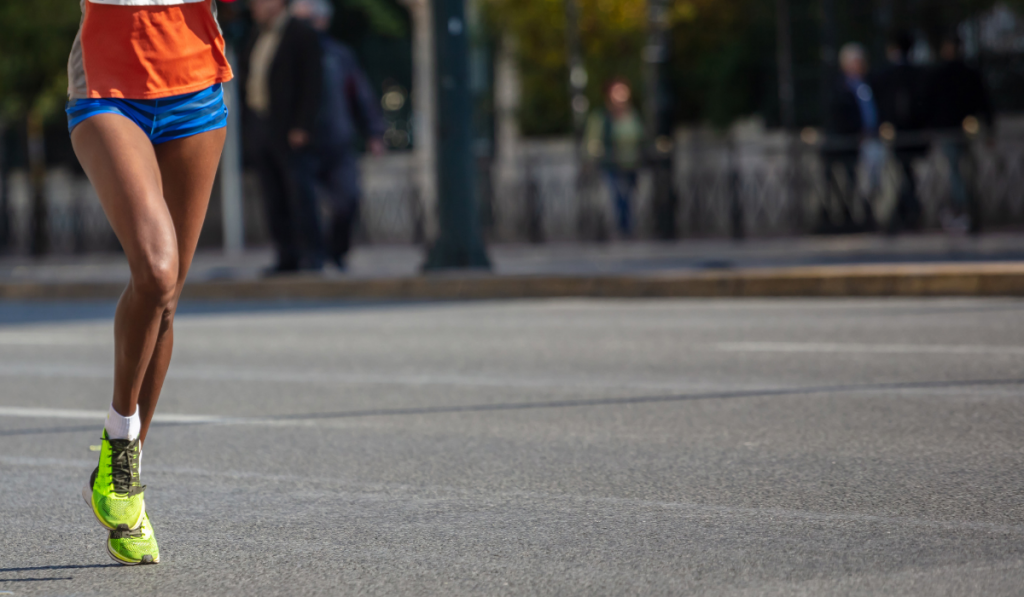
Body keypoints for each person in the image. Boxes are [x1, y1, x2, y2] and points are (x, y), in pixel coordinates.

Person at [65, 0, 233, 565]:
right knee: (156, 270)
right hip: (107, 87)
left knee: (167, 298)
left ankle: (126, 481)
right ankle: (120, 440)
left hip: (195, 89)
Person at [291, 0, 386, 269]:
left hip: (337, 139)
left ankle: (337, 251)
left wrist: (374, 132)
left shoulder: (340, 55)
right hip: (303, 142)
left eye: (309, 21)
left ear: (323, 21)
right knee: (304, 206)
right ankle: (313, 256)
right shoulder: (290, 55)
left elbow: (361, 95)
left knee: (348, 199)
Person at [239, 0, 324, 273]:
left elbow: (312, 84)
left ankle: (311, 255)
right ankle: (286, 256)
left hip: (290, 129)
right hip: (261, 125)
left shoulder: (301, 34)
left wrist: (302, 126)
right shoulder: (255, 34)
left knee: (300, 194)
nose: (254, 6)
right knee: (272, 196)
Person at [925, 32, 994, 234]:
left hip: (950, 129)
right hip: (962, 128)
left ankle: (964, 208)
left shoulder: (943, 73)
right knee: (963, 170)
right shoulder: (965, 73)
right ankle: (965, 208)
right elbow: (983, 102)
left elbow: (930, 103)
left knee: (959, 171)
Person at [869, 30, 928, 232]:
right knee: (905, 172)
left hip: (898, 133)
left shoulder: (886, 75)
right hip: (910, 133)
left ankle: (906, 210)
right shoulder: (917, 74)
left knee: (903, 172)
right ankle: (908, 209)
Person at [822, 43, 880, 231]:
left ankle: (867, 211)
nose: (858, 65)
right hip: (849, 141)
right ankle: (850, 215)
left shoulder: (868, 83)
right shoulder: (840, 86)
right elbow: (838, 114)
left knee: (873, 176)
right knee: (849, 181)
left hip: (870, 139)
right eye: (855, 62)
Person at [584, 79, 644, 238]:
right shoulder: (602, 116)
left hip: (631, 162)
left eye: (623, 91)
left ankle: (627, 227)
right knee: (617, 196)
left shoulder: (632, 114)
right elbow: (592, 139)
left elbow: (640, 135)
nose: (621, 95)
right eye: (617, 91)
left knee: (630, 196)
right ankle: (623, 229)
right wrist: (593, 155)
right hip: (610, 163)